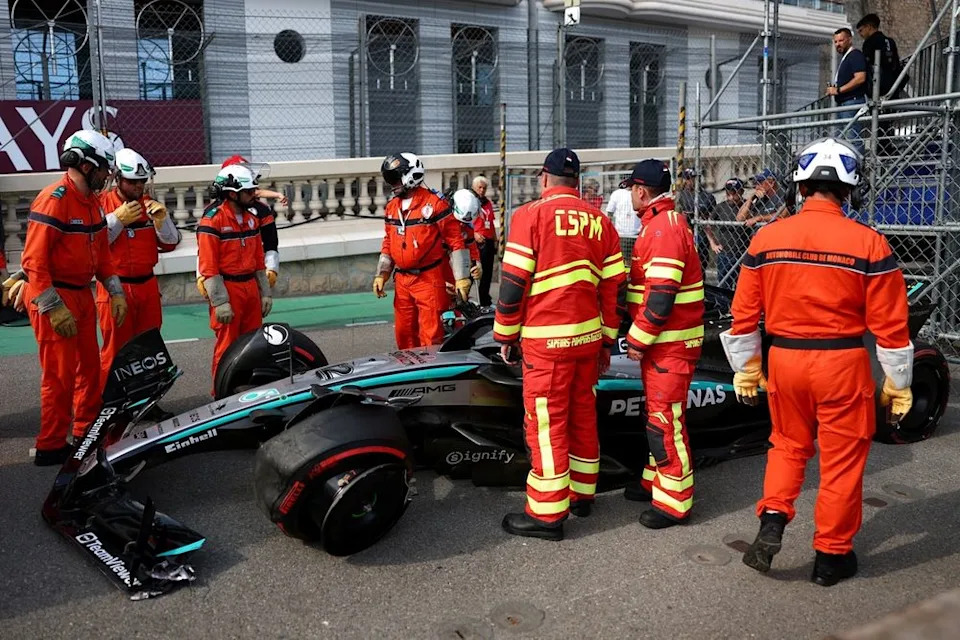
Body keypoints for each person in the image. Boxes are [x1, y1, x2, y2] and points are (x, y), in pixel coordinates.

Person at [720, 138, 913, 587]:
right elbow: (891, 323)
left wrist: (747, 367)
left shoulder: (766, 237)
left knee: (787, 445)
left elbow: (743, 313)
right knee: (841, 461)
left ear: (800, 186)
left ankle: (773, 517)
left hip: (785, 360)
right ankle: (831, 557)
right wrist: (898, 381)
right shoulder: (869, 243)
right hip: (841, 362)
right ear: (850, 190)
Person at [494, 148, 625, 540]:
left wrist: (505, 334)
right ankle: (582, 495)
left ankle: (548, 514)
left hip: (546, 342)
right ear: (577, 181)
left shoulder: (530, 216)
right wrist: (607, 341)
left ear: (543, 177)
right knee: (582, 415)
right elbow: (614, 290)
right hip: (588, 340)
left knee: (546, 423)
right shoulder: (600, 220)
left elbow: (513, 283)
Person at [19, 130, 128, 465]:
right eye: (104, 168)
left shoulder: (91, 203)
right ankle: (51, 445)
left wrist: (116, 291)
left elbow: (103, 256)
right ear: (85, 165)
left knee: (89, 371)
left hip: (81, 296)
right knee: (60, 376)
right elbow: (33, 262)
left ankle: (84, 434)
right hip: (56, 296)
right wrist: (53, 308)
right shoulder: (54, 199)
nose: (107, 176)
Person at [620, 159, 705, 529]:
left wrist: (636, 339)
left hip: (667, 344)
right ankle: (655, 482)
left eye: (631, 189)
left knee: (664, 422)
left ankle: (674, 503)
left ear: (641, 191)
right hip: (666, 343)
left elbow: (661, 296)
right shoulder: (660, 224)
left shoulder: (662, 229)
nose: (629, 196)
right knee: (659, 416)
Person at [97, 148, 181, 415]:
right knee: (115, 350)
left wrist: (162, 221)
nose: (138, 187)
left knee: (148, 350)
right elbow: (93, 244)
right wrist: (117, 220)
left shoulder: (150, 205)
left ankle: (147, 403)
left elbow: (171, 243)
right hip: (115, 287)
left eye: (141, 182)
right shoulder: (101, 204)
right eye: (132, 181)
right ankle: (111, 406)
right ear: (118, 179)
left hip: (147, 286)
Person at [374, 152, 470, 349]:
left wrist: (462, 277)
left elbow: (455, 241)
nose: (392, 184)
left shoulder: (435, 204)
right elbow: (388, 243)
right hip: (402, 281)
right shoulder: (392, 207)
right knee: (404, 334)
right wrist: (382, 274)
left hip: (428, 279)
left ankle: (432, 369)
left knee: (430, 336)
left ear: (411, 176)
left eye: (395, 178)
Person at [197, 164, 273, 384]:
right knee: (227, 346)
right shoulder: (213, 221)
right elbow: (208, 266)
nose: (254, 195)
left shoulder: (251, 219)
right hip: (228, 289)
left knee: (253, 345)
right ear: (232, 194)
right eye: (248, 191)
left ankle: (249, 389)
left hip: (250, 288)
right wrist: (220, 302)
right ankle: (221, 393)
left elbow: (258, 260)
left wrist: (265, 292)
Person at [220, 155, 285, 288]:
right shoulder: (214, 215)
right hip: (224, 280)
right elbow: (206, 250)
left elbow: (271, 243)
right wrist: (204, 277)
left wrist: (271, 268)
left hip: (255, 277)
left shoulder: (262, 211)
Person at [857, 13, 902, 156]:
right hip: (892, 85)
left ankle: (881, 151)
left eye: (861, 30)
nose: (861, 34)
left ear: (869, 27)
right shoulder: (890, 41)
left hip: (878, 87)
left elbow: (866, 65)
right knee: (887, 120)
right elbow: (895, 63)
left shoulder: (870, 42)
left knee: (878, 120)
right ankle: (886, 147)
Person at [706, 178, 753, 288]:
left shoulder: (747, 206)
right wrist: (713, 243)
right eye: (728, 194)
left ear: (741, 192)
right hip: (725, 253)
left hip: (743, 253)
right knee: (724, 285)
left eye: (734, 193)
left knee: (741, 286)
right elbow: (707, 226)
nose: (731, 197)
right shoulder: (720, 207)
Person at [828, 28, 868, 151]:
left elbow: (860, 78)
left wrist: (839, 90)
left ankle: (857, 161)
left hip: (852, 101)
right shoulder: (847, 57)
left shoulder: (855, 55)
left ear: (849, 40)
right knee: (841, 138)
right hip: (845, 103)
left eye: (841, 41)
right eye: (835, 42)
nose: (838, 44)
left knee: (852, 137)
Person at [442, 188, 483, 304]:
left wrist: (477, 263)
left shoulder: (467, 225)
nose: (462, 224)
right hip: (438, 265)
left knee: (458, 301)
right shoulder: (441, 221)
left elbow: (471, 244)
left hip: (455, 266)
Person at [674, 168, 716, 275]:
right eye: (686, 179)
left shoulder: (707, 197)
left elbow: (711, 218)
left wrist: (703, 216)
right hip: (686, 232)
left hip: (702, 234)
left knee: (701, 263)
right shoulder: (682, 196)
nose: (688, 181)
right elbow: (677, 212)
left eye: (691, 178)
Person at [472, 176, 498, 307]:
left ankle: (484, 300)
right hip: (475, 241)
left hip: (488, 240)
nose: (482, 190)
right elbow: (463, 223)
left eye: (484, 188)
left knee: (487, 272)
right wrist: (474, 234)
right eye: (479, 188)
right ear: (474, 188)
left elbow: (491, 222)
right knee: (474, 272)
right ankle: (462, 298)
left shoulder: (487, 203)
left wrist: (495, 239)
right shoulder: (471, 202)